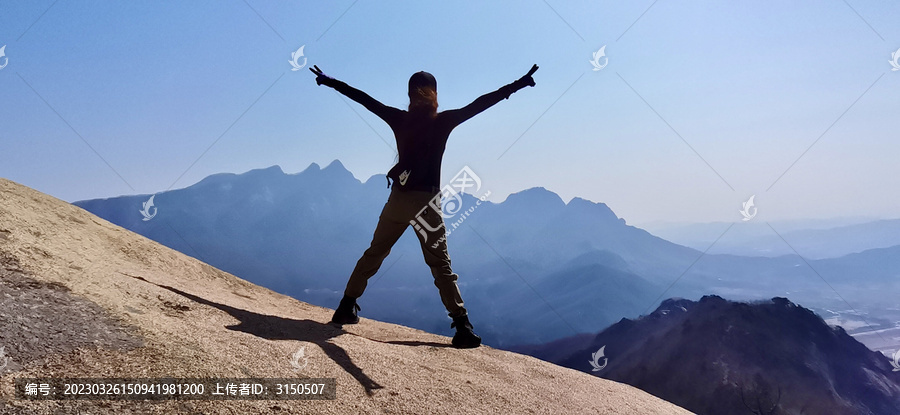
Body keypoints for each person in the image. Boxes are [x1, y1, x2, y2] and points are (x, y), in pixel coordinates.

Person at [310, 63, 538, 348]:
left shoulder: (399, 119)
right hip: (426, 205)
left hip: (398, 201)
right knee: (440, 264)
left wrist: (331, 81)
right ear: (435, 95)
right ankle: (462, 326)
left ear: (409, 95)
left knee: (375, 252)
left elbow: (364, 99)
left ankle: (346, 306)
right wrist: (518, 84)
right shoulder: (442, 122)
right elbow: (482, 103)